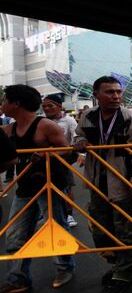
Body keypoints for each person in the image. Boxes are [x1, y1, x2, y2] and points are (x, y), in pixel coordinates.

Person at [74, 76, 132, 293]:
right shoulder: (87, 116)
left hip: (124, 183)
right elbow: (79, 136)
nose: (116, 96)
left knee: (126, 229)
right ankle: (118, 265)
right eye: (109, 92)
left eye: (118, 92)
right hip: (97, 184)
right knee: (101, 230)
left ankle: (125, 271)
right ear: (96, 95)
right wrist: (80, 143)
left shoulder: (129, 118)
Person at [0, 85, 75, 292]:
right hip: (25, 187)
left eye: (5, 99)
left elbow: (66, 151)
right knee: (16, 233)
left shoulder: (46, 126)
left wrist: (47, 154)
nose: (2, 104)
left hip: (50, 185)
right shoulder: (9, 130)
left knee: (57, 227)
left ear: (16, 104)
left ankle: (65, 267)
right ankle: (18, 278)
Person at [42, 94, 84, 228]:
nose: (47, 109)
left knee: (66, 186)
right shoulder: (41, 121)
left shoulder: (69, 120)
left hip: (63, 159)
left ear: (59, 107)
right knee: (45, 188)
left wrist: (82, 154)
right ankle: (47, 215)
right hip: (45, 160)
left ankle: (69, 214)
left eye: (50, 106)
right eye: (44, 106)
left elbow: (77, 136)